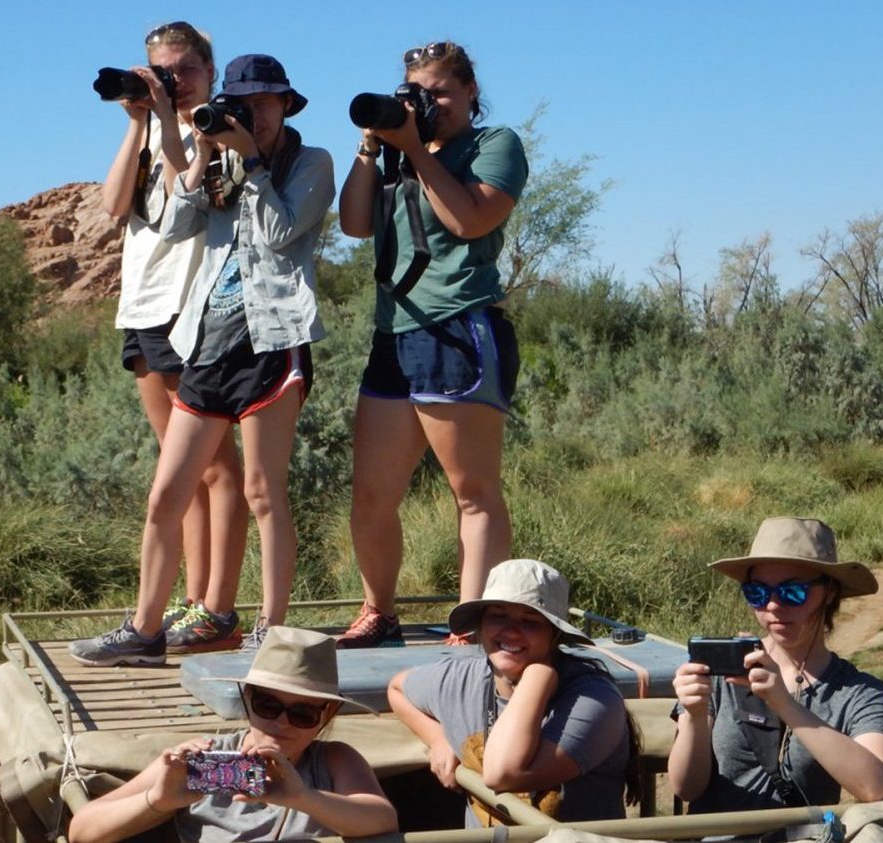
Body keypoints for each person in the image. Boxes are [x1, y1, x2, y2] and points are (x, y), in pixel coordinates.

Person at [71, 54, 334, 664]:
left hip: (272, 341)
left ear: (285, 106)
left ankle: (270, 629)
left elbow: (279, 232)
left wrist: (256, 165)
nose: (253, 117)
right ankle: (144, 629)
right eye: (244, 105)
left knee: (264, 491)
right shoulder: (221, 156)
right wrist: (197, 149)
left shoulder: (310, 161)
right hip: (209, 344)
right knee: (166, 493)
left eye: (264, 105)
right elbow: (173, 222)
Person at [335, 41, 529, 648]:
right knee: (371, 493)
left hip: (459, 327)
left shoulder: (494, 144)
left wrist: (416, 149)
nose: (430, 103)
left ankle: (476, 625)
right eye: (419, 92)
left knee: (472, 492)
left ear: (471, 91)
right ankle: (378, 610)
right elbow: (354, 224)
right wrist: (374, 145)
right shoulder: (397, 156)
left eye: (441, 91)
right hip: (395, 332)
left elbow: (470, 220)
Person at [99, 20, 249, 654]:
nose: (174, 80)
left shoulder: (218, 131)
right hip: (142, 307)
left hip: (192, 311)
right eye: (162, 69)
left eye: (184, 69)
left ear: (210, 72)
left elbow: (200, 195)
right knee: (175, 471)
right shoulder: (148, 133)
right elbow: (112, 207)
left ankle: (216, 607)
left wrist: (170, 117)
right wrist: (137, 119)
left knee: (218, 471)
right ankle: (186, 605)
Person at [67, 627, 398, 843]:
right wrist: (158, 801)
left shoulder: (333, 760)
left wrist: (302, 798)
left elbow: (382, 820)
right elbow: (82, 830)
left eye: (302, 713)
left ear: (326, 715)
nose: (281, 723)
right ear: (247, 699)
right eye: (268, 705)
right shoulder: (200, 760)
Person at [669, 516, 883, 812]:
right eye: (758, 593)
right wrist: (693, 716)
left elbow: (874, 785)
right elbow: (686, 788)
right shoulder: (721, 671)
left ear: (829, 593)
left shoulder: (858, 692)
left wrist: (785, 704)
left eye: (793, 592)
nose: (774, 605)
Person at [388, 558, 634, 827]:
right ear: (480, 626)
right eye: (498, 616)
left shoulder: (593, 699)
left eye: (531, 621)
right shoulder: (458, 680)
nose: (511, 631)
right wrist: (437, 739)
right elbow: (397, 689)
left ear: (555, 635)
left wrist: (538, 677)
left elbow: (502, 774)